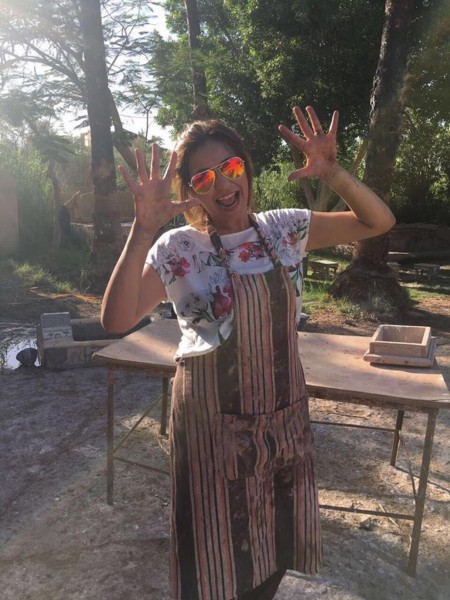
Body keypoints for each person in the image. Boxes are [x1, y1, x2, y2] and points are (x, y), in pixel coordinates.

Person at [101, 106, 396, 600]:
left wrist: (333, 172)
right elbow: (115, 320)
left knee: (275, 546)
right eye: (203, 177)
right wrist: (141, 230)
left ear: (246, 167)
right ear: (190, 191)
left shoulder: (285, 229)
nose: (222, 184)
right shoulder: (178, 249)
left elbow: (378, 221)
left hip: (282, 420)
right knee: (213, 558)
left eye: (231, 167)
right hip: (210, 429)